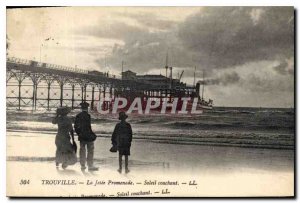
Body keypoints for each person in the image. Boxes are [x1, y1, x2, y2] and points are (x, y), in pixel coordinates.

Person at [74, 102, 98, 171]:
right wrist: (92, 134)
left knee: (82, 150)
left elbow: (75, 126)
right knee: (90, 150)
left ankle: (83, 165)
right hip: (88, 136)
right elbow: (88, 127)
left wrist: (79, 134)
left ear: (81, 108)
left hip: (81, 136)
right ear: (87, 108)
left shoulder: (78, 115)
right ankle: (90, 165)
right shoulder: (88, 115)